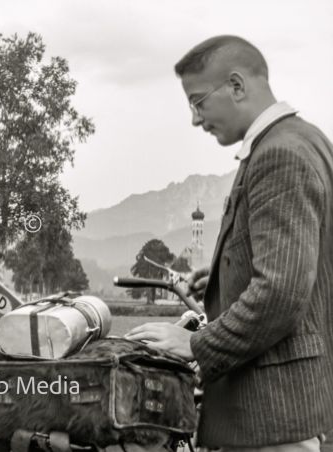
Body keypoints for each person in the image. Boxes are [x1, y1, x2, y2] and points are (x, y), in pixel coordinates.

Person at [126, 36, 333, 451]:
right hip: (276, 412)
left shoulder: (281, 154)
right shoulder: (298, 141)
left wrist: (195, 344)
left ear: (237, 86)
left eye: (198, 101)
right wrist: (225, 275)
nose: (195, 119)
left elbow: (281, 291)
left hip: (271, 416)